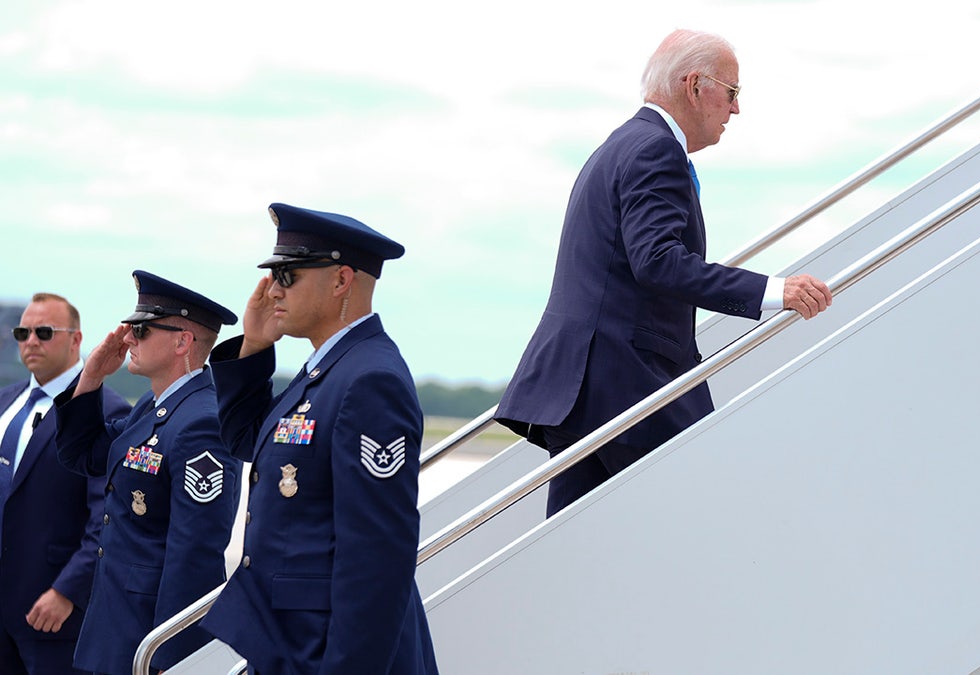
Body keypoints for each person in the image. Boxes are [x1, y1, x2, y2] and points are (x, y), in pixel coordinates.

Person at [495, 29, 834, 517]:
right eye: (733, 92)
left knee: (579, 556)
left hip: (587, 389)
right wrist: (774, 290)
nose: (736, 109)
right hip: (624, 384)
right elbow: (658, 261)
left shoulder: (620, 145)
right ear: (695, 85)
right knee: (698, 518)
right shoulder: (655, 150)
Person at [199, 203, 438, 674]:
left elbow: (376, 560)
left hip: (326, 651)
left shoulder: (369, 380)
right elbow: (249, 440)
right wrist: (253, 347)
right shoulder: (327, 370)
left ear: (341, 280)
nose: (272, 290)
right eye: (272, 275)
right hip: (290, 643)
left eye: (288, 274)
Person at [54, 272, 240, 674]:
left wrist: (168, 655)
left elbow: (195, 552)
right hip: (115, 630)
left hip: (149, 642)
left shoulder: (203, 422)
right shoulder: (153, 408)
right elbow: (82, 455)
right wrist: (92, 376)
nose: (129, 339)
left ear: (182, 341)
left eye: (140, 328)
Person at [0, 294, 130, 675]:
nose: (31, 341)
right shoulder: (6, 402)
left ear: (76, 340)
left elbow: (106, 517)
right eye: (23, 332)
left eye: (44, 332)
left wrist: (68, 590)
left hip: (52, 612)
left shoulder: (105, 411)